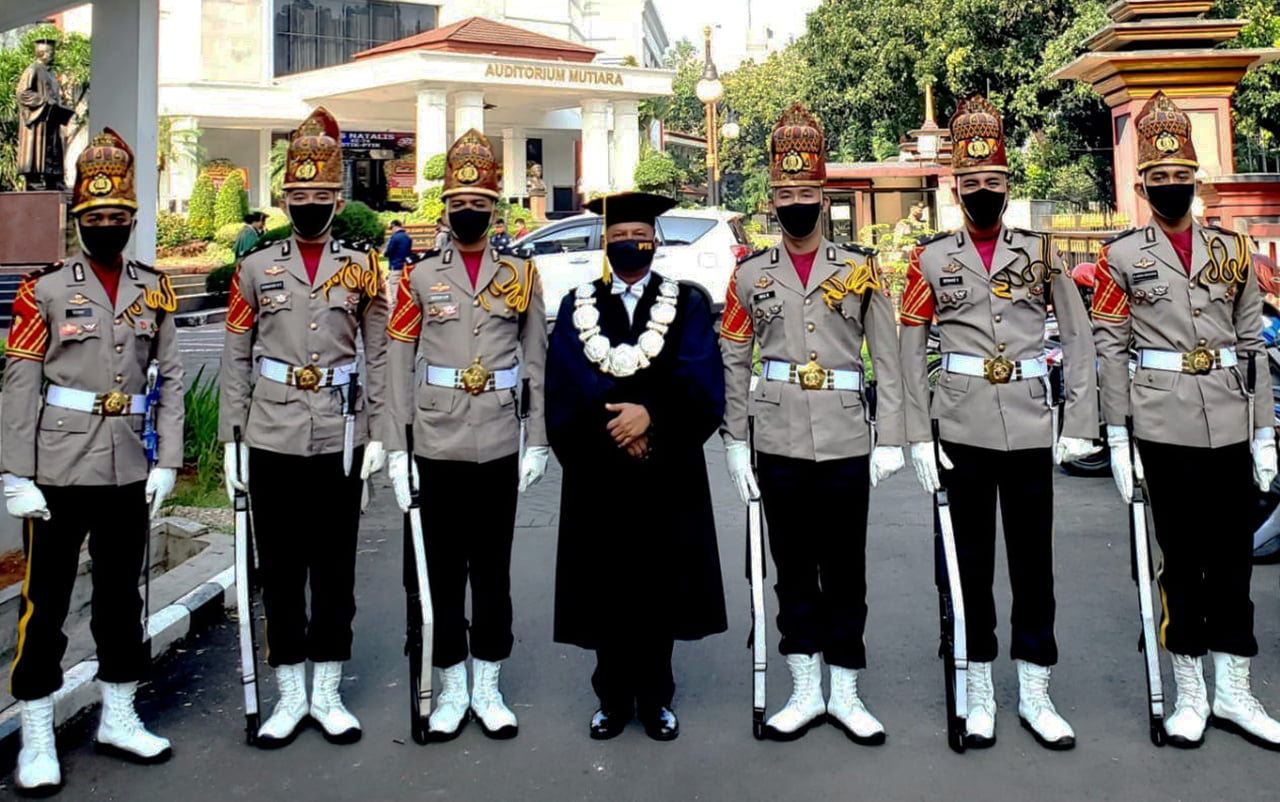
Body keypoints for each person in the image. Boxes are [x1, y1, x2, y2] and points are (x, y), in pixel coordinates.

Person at [899, 95, 1100, 750]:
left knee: (1033, 563)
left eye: (994, 182)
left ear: (1009, 187)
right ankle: (977, 684)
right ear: (956, 190)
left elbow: (1077, 336)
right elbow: (907, 350)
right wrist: (915, 431)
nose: (983, 191)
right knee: (966, 563)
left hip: (1029, 424)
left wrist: (1080, 420)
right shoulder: (929, 261)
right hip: (958, 428)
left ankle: (1036, 690)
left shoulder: (1041, 254)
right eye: (972, 183)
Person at [1092, 91, 1280, 749]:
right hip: (1161, 424)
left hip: (1229, 420)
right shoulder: (1120, 258)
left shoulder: (1232, 250)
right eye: (1159, 178)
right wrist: (1116, 435)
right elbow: (1110, 350)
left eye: (1181, 177)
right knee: (1180, 562)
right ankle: (1191, 690)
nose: (1171, 187)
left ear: (1195, 182)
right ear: (1141, 185)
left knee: (1233, 561)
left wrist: (1263, 432)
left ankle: (1235, 691)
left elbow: (1255, 346)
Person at [1, 129, 184, 794]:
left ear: (133, 221)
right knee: (43, 605)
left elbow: (170, 378)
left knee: (118, 601)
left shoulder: (154, 290)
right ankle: (39, 734)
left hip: (127, 469)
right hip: (56, 470)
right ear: (78, 221)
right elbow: (19, 385)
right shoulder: (42, 292)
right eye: (95, 218)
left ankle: (119, 716)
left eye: (117, 218)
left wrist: (169, 462)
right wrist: (14, 474)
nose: (107, 226)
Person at [720, 103, 905, 744]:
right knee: (792, 565)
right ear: (772, 201)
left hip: (848, 435)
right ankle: (804, 688)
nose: (797, 203)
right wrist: (735, 442)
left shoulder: (859, 268)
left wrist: (895, 436)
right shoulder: (749, 276)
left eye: (807, 192)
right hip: (777, 437)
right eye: (786, 193)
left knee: (846, 566)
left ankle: (846, 689)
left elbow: (889, 354)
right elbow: (732, 358)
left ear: (824, 198)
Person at [219, 107, 388, 748]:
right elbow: (236, 354)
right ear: (284, 199)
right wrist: (233, 436)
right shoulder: (255, 269)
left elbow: (381, 353)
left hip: (340, 436)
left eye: (322, 195)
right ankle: (290, 692)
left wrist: (376, 435)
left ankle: (329, 690)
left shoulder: (364, 266)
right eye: (300, 195)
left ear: (339, 200)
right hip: (272, 431)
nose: (311, 203)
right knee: (282, 567)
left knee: (336, 566)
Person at [385, 128, 549, 741]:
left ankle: (489, 684)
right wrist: (396, 449)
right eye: (459, 203)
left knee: (493, 570)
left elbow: (537, 360)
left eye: (480, 203)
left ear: (495, 206)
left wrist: (538, 439)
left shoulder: (521, 275)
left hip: (501, 439)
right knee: (441, 570)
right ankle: (451, 685)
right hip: (436, 439)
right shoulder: (419, 278)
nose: (469, 212)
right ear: (445, 208)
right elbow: (398, 362)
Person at [547, 190, 727, 741]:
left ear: (656, 241)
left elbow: (700, 378)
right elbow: (565, 383)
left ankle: (656, 698)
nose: (630, 244)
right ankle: (611, 699)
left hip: (664, 471)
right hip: (599, 472)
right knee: (606, 585)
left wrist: (652, 419)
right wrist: (617, 432)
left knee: (659, 585)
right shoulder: (576, 303)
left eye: (639, 236)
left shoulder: (687, 303)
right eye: (620, 237)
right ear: (606, 241)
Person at [16, 38, 72, 191]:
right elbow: (22, 93)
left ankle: (53, 178)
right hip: (38, 119)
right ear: (42, 53)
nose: (52, 55)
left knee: (54, 148)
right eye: (50, 52)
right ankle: (33, 179)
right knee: (37, 149)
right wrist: (44, 101)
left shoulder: (51, 74)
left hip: (51, 119)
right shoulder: (32, 69)